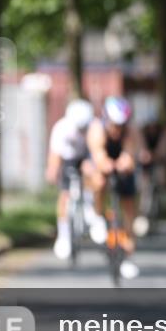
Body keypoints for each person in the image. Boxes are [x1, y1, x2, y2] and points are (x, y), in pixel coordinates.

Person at [86, 96, 140, 280]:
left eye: (121, 125)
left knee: (129, 210)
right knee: (99, 181)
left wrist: (126, 161)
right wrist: (105, 164)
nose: (117, 129)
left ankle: (128, 257)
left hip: (121, 164)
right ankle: (98, 216)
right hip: (102, 162)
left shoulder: (130, 131)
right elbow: (98, 155)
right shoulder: (96, 128)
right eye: (114, 125)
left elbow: (130, 154)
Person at [45, 99, 104, 260]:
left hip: (87, 154)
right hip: (68, 158)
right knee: (64, 194)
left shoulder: (96, 126)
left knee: (96, 179)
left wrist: (93, 167)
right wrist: (52, 171)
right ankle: (63, 235)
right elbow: (55, 157)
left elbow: (98, 153)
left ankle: (94, 214)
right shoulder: (61, 128)